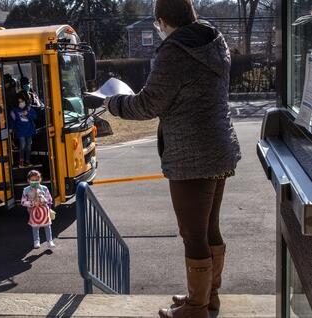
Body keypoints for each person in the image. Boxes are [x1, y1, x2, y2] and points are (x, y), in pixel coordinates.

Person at [103, 0, 241, 317]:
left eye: (158, 25)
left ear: (162, 20)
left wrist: (112, 103)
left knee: (193, 235)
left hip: (191, 156)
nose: (159, 30)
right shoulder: (213, 41)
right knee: (209, 230)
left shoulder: (175, 52)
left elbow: (149, 104)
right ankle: (207, 299)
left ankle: (196, 308)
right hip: (220, 148)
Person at [21, 170, 55, 249]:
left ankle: (49, 241)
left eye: (36, 180)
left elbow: (49, 199)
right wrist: (32, 203)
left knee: (47, 225)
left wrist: (42, 201)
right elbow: (23, 202)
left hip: (44, 209)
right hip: (33, 210)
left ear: (40, 180)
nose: (35, 182)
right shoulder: (26, 190)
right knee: (35, 226)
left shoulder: (44, 188)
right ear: (28, 181)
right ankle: (36, 241)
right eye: (32, 180)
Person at [10, 92, 37, 168]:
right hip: (20, 131)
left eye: (22, 101)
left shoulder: (29, 109)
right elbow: (12, 120)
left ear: (25, 101)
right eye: (19, 102)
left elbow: (35, 117)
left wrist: (27, 114)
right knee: (22, 145)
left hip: (29, 131)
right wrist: (11, 128)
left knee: (28, 147)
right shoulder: (14, 111)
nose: (21, 103)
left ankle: (27, 161)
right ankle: (21, 161)